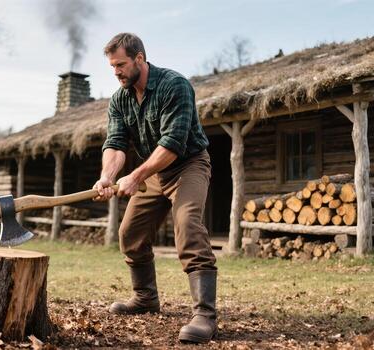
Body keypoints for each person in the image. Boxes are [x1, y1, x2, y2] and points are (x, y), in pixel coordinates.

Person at [93, 32, 218, 344]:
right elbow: (116, 143)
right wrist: (108, 175)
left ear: (139, 59)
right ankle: (145, 298)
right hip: (153, 171)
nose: (116, 71)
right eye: (112, 67)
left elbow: (173, 144)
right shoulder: (120, 99)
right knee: (130, 234)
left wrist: (135, 176)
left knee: (187, 225)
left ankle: (205, 314)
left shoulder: (175, 85)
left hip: (187, 164)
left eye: (120, 64)